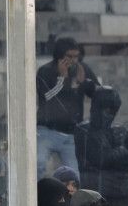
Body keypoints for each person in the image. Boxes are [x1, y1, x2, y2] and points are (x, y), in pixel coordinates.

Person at [36, 37, 100, 179]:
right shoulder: (45, 71)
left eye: (76, 56)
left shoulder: (82, 69)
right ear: (59, 56)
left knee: (74, 175)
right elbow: (46, 97)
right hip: (46, 131)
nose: (73, 60)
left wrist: (85, 82)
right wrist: (62, 79)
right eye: (69, 56)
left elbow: (97, 93)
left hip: (71, 134)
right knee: (38, 165)